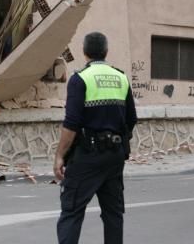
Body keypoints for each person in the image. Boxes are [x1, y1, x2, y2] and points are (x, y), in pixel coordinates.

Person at [54, 32, 137, 244]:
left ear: (84, 51)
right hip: (114, 157)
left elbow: (71, 124)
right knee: (113, 214)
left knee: (71, 212)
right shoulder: (121, 77)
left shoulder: (80, 79)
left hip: (87, 156)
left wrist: (60, 156)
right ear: (106, 51)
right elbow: (132, 119)